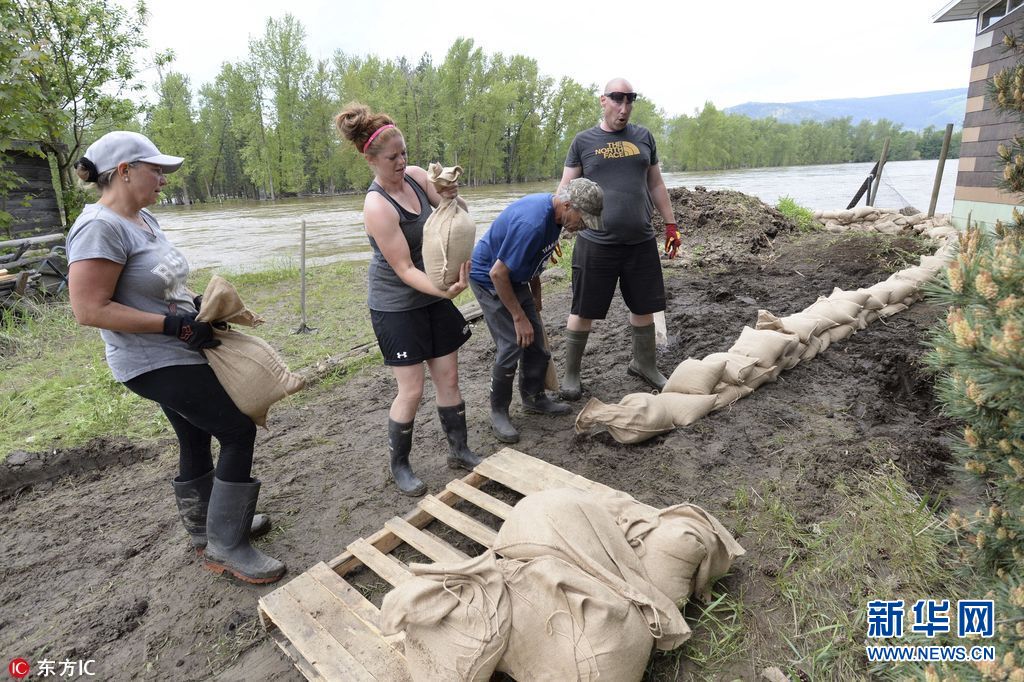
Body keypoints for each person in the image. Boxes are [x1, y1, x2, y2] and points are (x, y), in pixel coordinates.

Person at [66, 131, 285, 585]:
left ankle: (208, 530)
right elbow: (89, 310)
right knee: (237, 430)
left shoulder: (143, 219)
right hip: (150, 358)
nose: (164, 179)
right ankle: (228, 546)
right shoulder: (99, 227)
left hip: (177, 348)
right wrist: (174, 326)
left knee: (194, 435)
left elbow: (158, 285)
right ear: (124, 171)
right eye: (156, 170)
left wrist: (196, 305)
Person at [335, 104, 481, 497]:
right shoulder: (377, 206)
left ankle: (459, 450)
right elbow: (402, 269)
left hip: (433, 292)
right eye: (392, 157)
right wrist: (446, 290)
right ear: (370, 160)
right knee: (412, 389)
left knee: (449, 377)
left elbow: (456, 213)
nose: (401, 162)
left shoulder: (416, 177)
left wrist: (451, 194)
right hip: (396, 304)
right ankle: (399, 465)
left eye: (404, 153)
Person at [558, 77, 683, 400]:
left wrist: (671, 225)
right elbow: (564, 190)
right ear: (603, 101)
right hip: (595, 242)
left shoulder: (644, 138)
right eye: (617, 100)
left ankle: (644, 364)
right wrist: (553, 229)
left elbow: (655, 183)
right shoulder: (583, 141)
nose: (623, 108)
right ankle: (571, 375)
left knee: (644, 306)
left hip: (640, 240)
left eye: (629, 101)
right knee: (583, 309)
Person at [469, 178, 604, 443]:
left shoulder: (557, 219)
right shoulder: (531, 224)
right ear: (568, 205)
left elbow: (535, 257)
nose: (583, 226)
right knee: (512, 343)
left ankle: (533, 398)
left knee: (538, 344)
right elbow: (497, 273)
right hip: (489, 279)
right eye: (583, 219)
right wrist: (518, 316)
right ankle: (499, 412)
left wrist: (536, 295)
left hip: (515, 278)